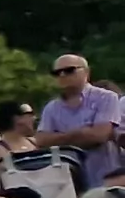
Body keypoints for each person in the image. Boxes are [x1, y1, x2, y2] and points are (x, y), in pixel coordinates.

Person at [40, 52, 119, 190]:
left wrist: (59, 138)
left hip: (105, 177)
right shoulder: (51, 108)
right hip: (68, 184)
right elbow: (42, 141)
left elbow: (99, 136)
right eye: (57, 73)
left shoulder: (106, 98)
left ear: (86, 72)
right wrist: (82, 133)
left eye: (69, 70)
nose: (62, 75)